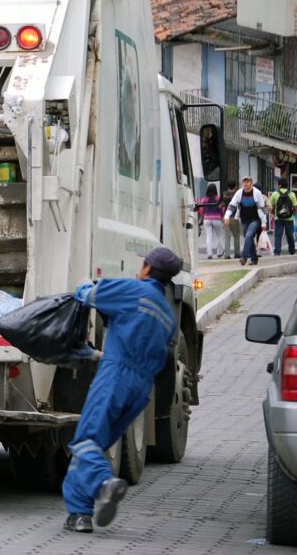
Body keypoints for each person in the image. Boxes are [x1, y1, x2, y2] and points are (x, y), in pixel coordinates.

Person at [63, 247, 181, 533]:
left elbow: (88, 295)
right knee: (94, 447)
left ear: (147, 269)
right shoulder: (167, 316)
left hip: (115, 378)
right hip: (140, 390)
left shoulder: (133, 290)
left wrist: (80, 284)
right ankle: (80, 515)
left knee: (85, 441)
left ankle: (105, 483)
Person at [223, 176, 267, 266]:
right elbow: (232, 205)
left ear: (251, 182)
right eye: (244, 182)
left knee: (248, 235)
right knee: (248, 238)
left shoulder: (257, 193)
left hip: (255, 219)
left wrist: (263, 222)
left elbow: (262, 208)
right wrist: (227, 216)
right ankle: (254, 259)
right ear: (242, 183)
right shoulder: (239, 193)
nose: (246, 184)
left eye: (248, 182)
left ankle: (244, 257)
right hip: (244, 220)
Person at [269, 177, 297, 256]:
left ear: (279, 185)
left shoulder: (275, 194)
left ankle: (277, 251)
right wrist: (292, 213)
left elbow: (272, 206)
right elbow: (295, 207)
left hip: (279, 218)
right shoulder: (292, 194)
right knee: (290, 235)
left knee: (278, 235)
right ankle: (292, 250)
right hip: (289, 218)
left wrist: (273, 213)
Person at [197, 184, 224, 259]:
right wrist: (222, 216)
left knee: (208, 236)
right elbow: (221, 209)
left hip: (207, 219)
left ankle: (209, 253)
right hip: (217, 219)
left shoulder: (204, 199)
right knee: (219, 236)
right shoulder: (218, 198)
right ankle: (219, 252)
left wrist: (203, 216)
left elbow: (202, 210)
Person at [220, 181, 240, 260]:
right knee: (236, 236)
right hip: (235, 217)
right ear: (235, 186)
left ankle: (227, 254)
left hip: (226, 217)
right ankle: (237, 253)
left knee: (227, 236)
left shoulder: (224, 194)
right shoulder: (237, 194)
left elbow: (220, 205)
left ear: (228, 186)